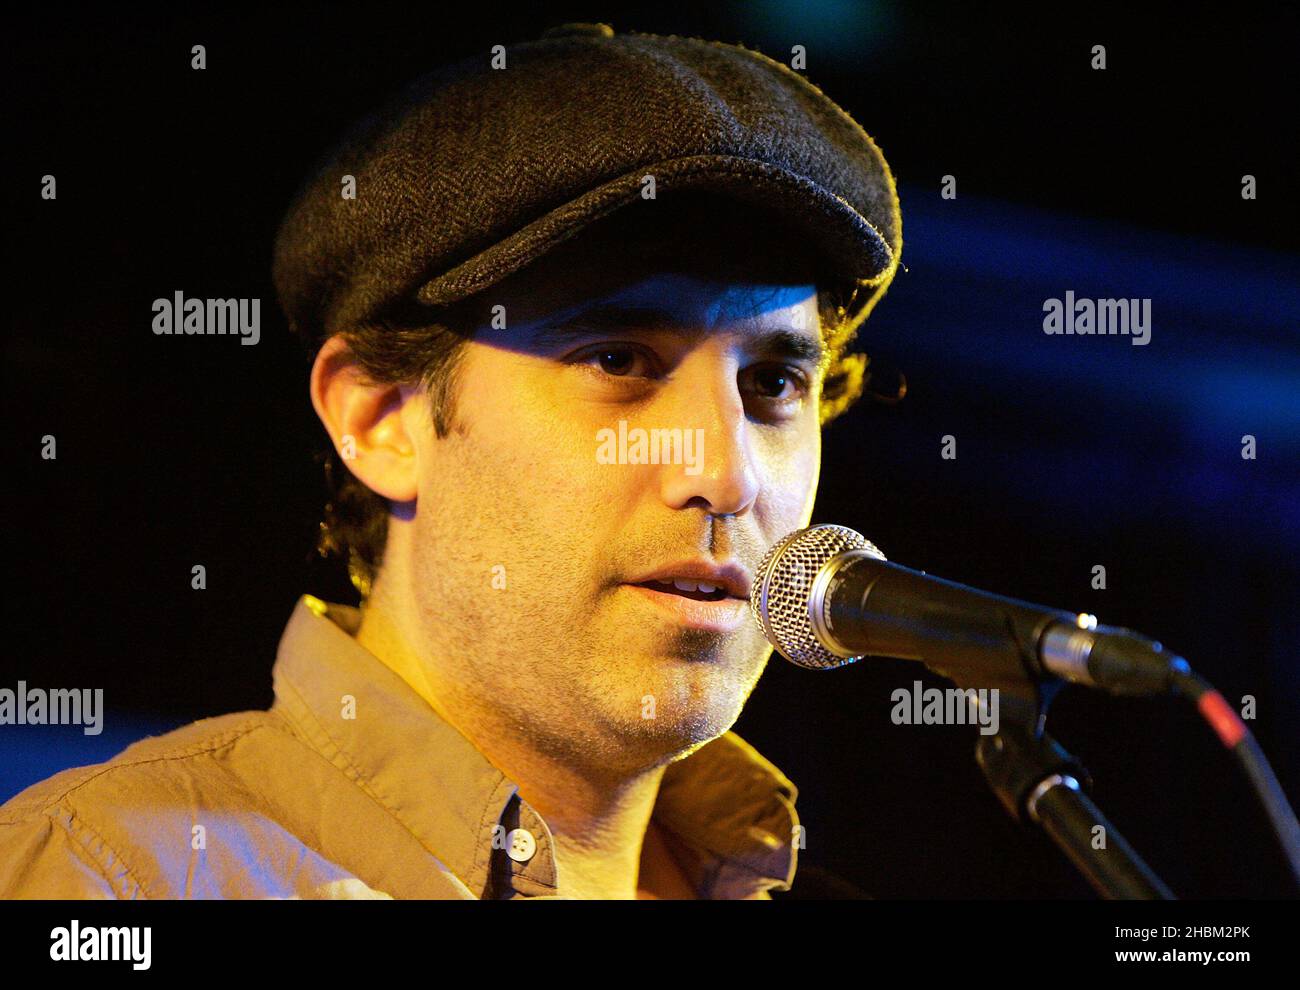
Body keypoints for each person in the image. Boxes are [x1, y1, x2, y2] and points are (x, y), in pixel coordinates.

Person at [0, 22, 901, 899]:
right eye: (618, 360)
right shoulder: (119, 877)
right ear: (384, 418)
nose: (727, 473)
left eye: (775, 383)